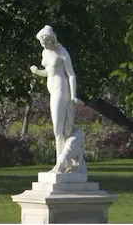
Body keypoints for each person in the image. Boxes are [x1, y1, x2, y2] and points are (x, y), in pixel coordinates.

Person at [30, 25, 79, 166]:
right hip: (52, 89)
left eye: (45, 42)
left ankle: (61, 163)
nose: (43, 45)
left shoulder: (62, 52)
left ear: (52, 40)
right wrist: (37, 72)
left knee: (58, 128)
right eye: (41, 43)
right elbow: (49, 72)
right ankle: (64, 161)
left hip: (61, 89)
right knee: (58, 128)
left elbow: (71, 74)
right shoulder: (45, 52)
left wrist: (73, 94)